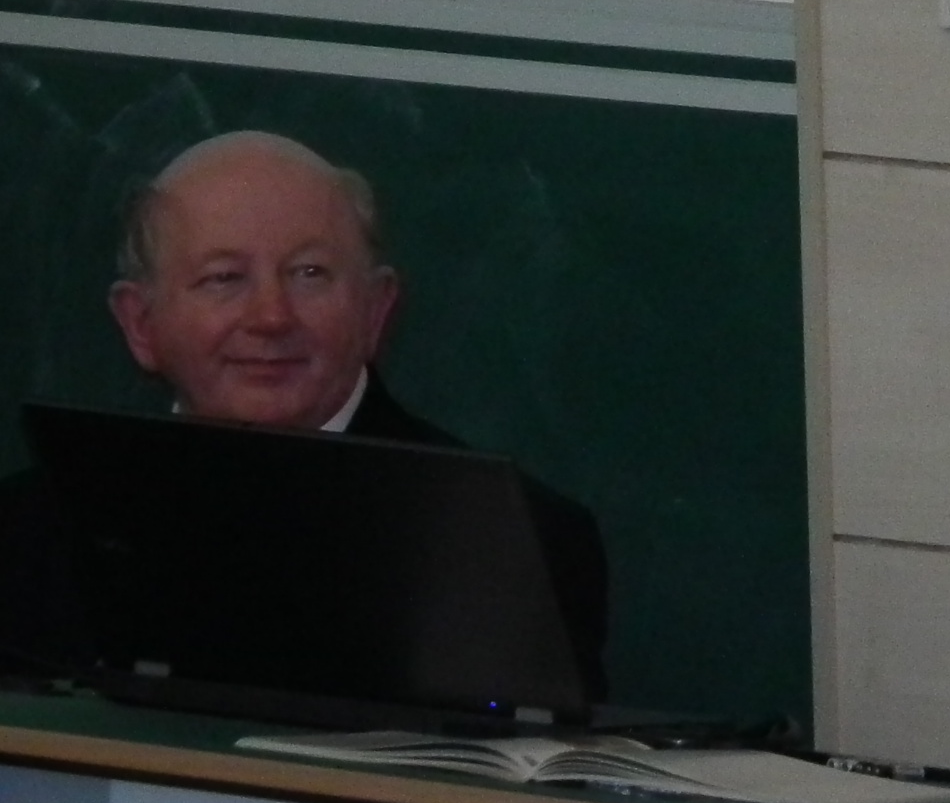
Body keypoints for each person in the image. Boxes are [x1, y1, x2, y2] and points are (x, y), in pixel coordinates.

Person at [0, 130, 610, 696]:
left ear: (375, 310)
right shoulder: (24, 536)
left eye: (310, 274)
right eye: (224, 278)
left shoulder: (515, 544)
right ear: (140, 324)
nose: (271, 316)